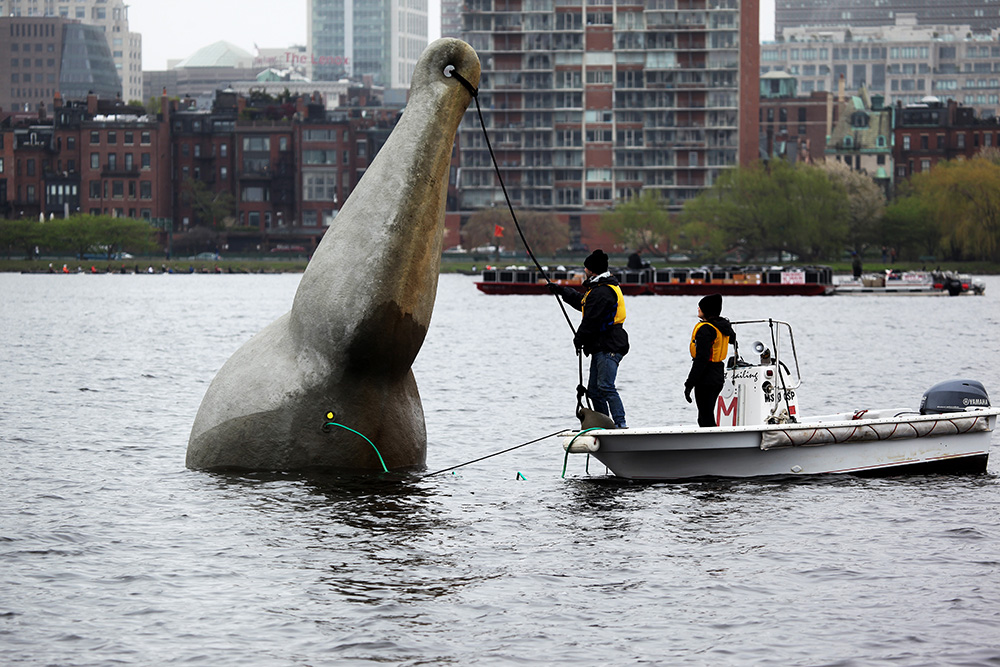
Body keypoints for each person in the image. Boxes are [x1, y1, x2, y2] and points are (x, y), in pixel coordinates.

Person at [548, 249, 630, 428]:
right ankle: (606, 425)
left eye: (586, 267)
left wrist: (579, 339)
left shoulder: (603, 291)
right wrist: (562, 291)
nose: (584, 270)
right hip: (601, 346)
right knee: (594, 391)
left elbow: (592, 319)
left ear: (592, 270)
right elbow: (584, 303)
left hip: (610, 346)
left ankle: (621, 425)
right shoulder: (599, 288)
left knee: (606, 387)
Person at [684, 293, 736, 428]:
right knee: (706, 414)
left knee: (705, 417)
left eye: (700, 307)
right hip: (718, 375)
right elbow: (733, 339)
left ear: (707, 310)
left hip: (706, 377)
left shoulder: (706, 329)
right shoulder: (722, 326)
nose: (698, 309)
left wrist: (689, 384)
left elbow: (702, 359)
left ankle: (713, 444)